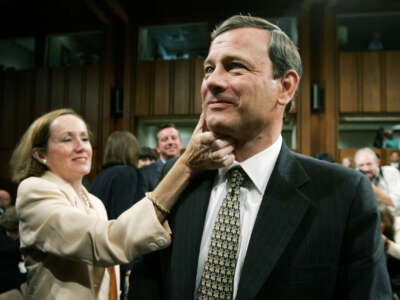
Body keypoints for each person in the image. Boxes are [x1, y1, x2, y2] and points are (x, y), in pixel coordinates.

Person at [130, 15, 391, 300]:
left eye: (235, 67)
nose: (212, 82)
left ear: (286, 86)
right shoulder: (178, 177)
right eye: (208, 69)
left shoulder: (342, 193)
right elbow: (146, 286)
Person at [9, 108, 234, 300]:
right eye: (67, 139)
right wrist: (186, 165)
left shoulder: (94, 202)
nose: (81, 147)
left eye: (85, 138)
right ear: (40, 155)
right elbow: (105, 242)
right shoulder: (33, 189)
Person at [89, 130, 145, 299]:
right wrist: (129, 266)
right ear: (131, 150)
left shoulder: (100, 177)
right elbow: (125, 219)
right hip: (119, 256)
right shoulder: (128, 174)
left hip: (100, 253)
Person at [354, 147, 400, 213]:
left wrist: (371, 187)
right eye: (361, 165)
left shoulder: (390, 172)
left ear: (377, 163)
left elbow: (397, 204)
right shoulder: (355, 177)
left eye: (369, 164)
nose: (366, 169)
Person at [140, 123, 183, 191]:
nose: (170, 142)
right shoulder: (145, 173)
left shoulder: (193, 170)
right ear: (158, 148)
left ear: (181, 144)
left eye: (174, 138)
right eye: (165, 139)